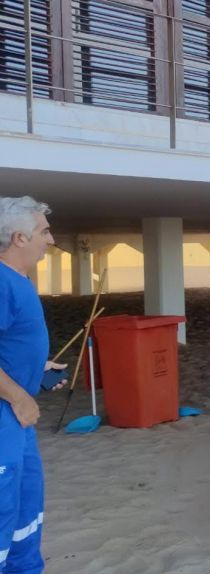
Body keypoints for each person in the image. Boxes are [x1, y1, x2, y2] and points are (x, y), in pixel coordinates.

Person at [0, 196, 68, 574]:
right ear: (19, 238)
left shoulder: (18, 280)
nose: (51, 239)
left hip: (17, 420)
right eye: (44, 231)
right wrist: (17, 395)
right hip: (5, 415)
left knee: (26, 511)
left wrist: (35, 369)